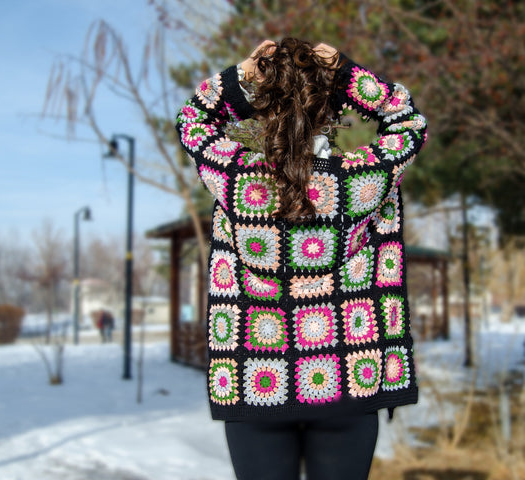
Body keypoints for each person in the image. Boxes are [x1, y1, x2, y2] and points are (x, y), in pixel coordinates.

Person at [175, 38, 427, 480]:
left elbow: (192, 120)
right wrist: (347, 73)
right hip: (350, 381)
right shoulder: (358, 182)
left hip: (255, 387)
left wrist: (243, 76)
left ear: (266, 110)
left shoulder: (238, 180)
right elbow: (407, 121)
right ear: (329, 112)